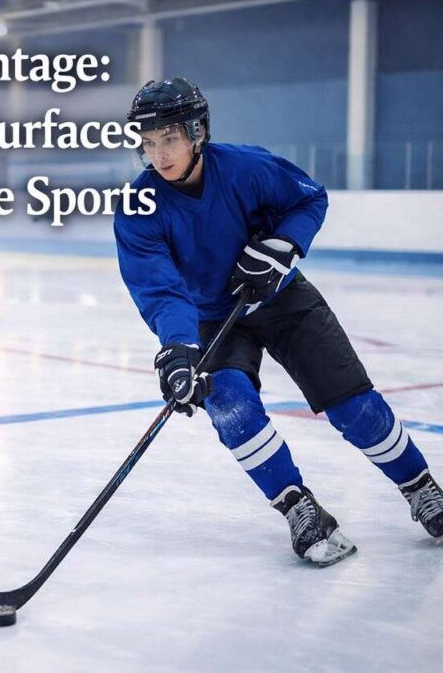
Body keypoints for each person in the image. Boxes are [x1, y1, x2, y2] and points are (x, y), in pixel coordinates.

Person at [113, 78, 442, 566]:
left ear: (198, 132)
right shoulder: (139, 207)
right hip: (210, 318)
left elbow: (309, 198)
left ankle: (420, 487)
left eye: (170, 139)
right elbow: (161, 289)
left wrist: (284, 246)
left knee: (352, 404)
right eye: (149, 142)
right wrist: (178, 349)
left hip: (283, 301)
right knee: (230, 407)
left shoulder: (248, 168)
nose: (159, 155)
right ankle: (298, 508)